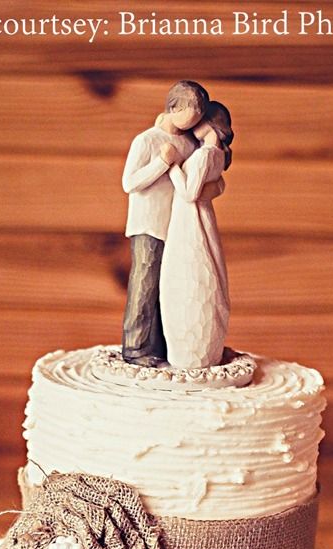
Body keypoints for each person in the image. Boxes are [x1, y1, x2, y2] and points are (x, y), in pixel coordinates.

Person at [121, 81, 209, 367]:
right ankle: (135, 348)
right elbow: (129, 183)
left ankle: (160, 346)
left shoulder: (189, 143)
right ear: (174, 108)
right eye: (190, 115)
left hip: (178, 228)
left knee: (168, 287)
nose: (193, 123)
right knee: (145, 284)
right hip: (148, 224)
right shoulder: (147, 140)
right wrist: (161, 162)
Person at [159, 101, 234, 369]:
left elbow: (189, 193)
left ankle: (191, 354)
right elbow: (217, 185)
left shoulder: (203, 155)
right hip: (201, 218)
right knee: (203, 273)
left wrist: (171, 166)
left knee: (187, 279)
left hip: (189, 221)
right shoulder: (217, 155)